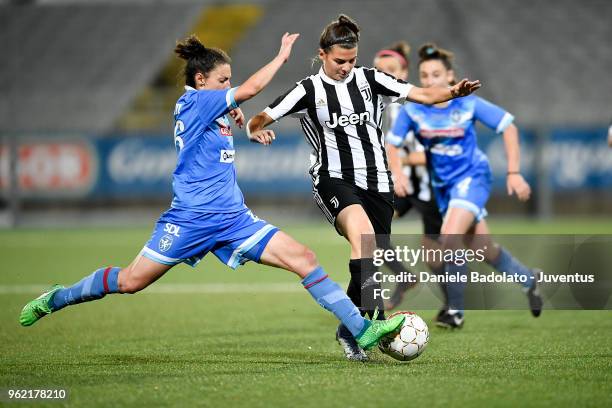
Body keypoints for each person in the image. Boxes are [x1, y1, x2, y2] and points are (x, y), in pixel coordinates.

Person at [18, 33, 407, 355]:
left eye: (229, 81)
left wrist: (244, 123)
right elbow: (253, 89)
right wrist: (281, 56)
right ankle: (57, 298)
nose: (229, 87)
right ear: (202, 80)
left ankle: (360, 329)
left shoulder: (208, 107)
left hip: (234, 219)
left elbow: (226, 120)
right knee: (130, 281)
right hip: (190, 219)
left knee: (303, 258)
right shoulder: (195, 101)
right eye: (224, 81)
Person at [246, 15, 481, 359]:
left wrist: (452, 92)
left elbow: (421, 95)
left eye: (351, 60)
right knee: (363, 236)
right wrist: (255, 130)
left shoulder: (371, 80)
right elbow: (260, 117)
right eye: (339, 61)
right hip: (333, 178)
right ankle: (377, 323)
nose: (345, 67)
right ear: (322, 54)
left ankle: (348, 328)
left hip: (378, 181)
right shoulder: (307, 90)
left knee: (369, 254)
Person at [386, 43, 543, 328]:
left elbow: (508, 126)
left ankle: (455, 311)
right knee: (484, 249)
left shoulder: (467, 102)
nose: (430, 81)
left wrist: (514, 172)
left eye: (436, 75)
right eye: (424, 76)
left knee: (449, 236)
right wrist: (397, 174)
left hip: (473, 178)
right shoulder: (414, 111)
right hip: (444, 187)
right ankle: (529, 279)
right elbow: (392, 143)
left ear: (449, 77)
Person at [373, 41, 447, 311]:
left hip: (427, 185)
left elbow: (436, 152)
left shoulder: (418, 104)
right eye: (379, 70)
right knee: (371, 230)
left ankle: (452, 303)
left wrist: (395, 162)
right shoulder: (377, 106)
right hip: (400, 185)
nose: (384, 75)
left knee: (434, 252)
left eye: (391, 69)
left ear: (404, 72)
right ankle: (403, 276)